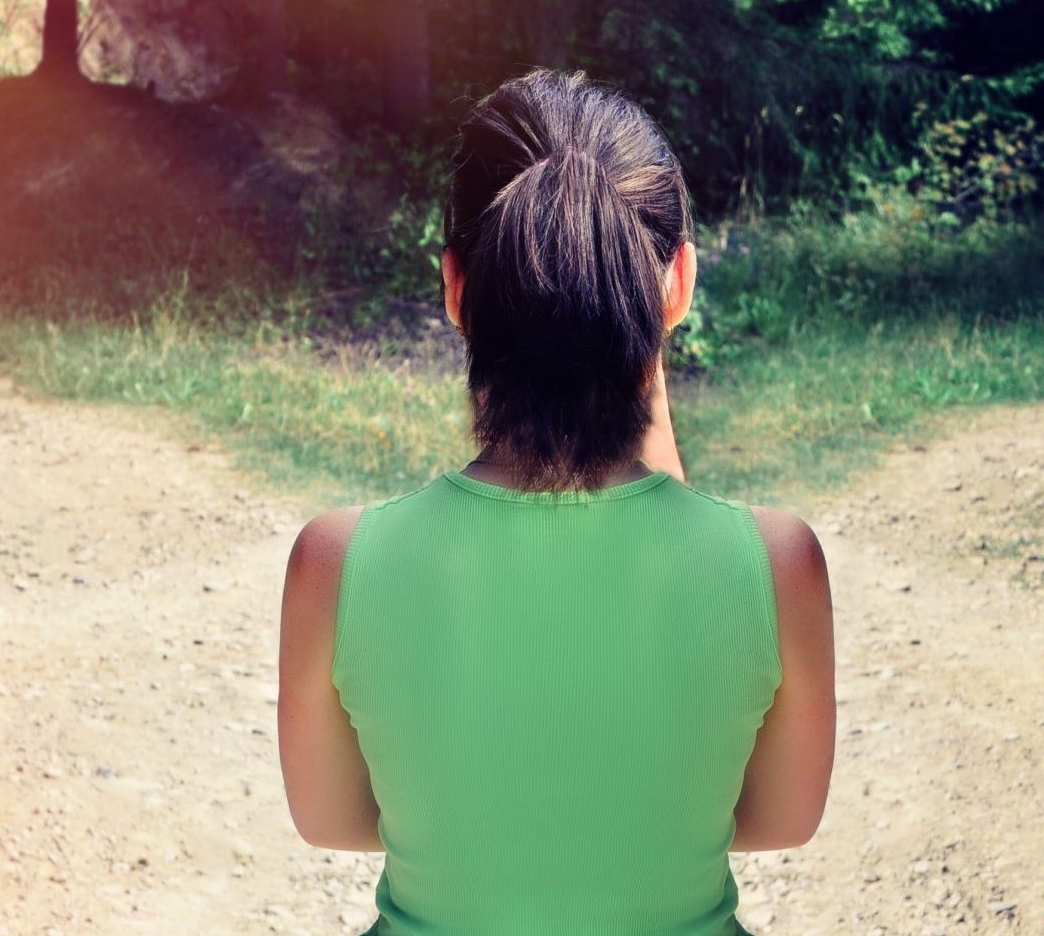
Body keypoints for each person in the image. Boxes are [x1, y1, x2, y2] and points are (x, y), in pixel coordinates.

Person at [276, 69, 836, 936]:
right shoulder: (776, 564)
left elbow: (330, 820)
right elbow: (778, 819)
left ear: (456, 287)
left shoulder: (336, 561)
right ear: (676, 286)